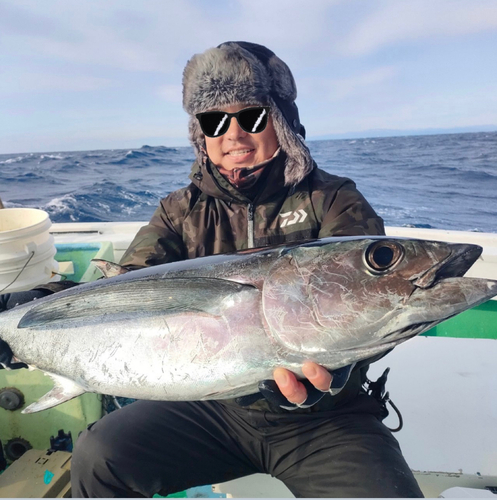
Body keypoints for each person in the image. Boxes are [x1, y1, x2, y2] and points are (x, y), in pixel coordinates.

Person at [1, 42, 423, 498]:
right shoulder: (180, 211)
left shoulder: (333, 199)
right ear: (199, 133)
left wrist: (340, 366)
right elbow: (125, 289)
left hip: (327, 417)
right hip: (209, 408)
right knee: (100, 456)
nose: (234, 134)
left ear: (280, 119)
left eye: (252, 116)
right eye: (214, 121)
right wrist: (35, 307)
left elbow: (378, 301)